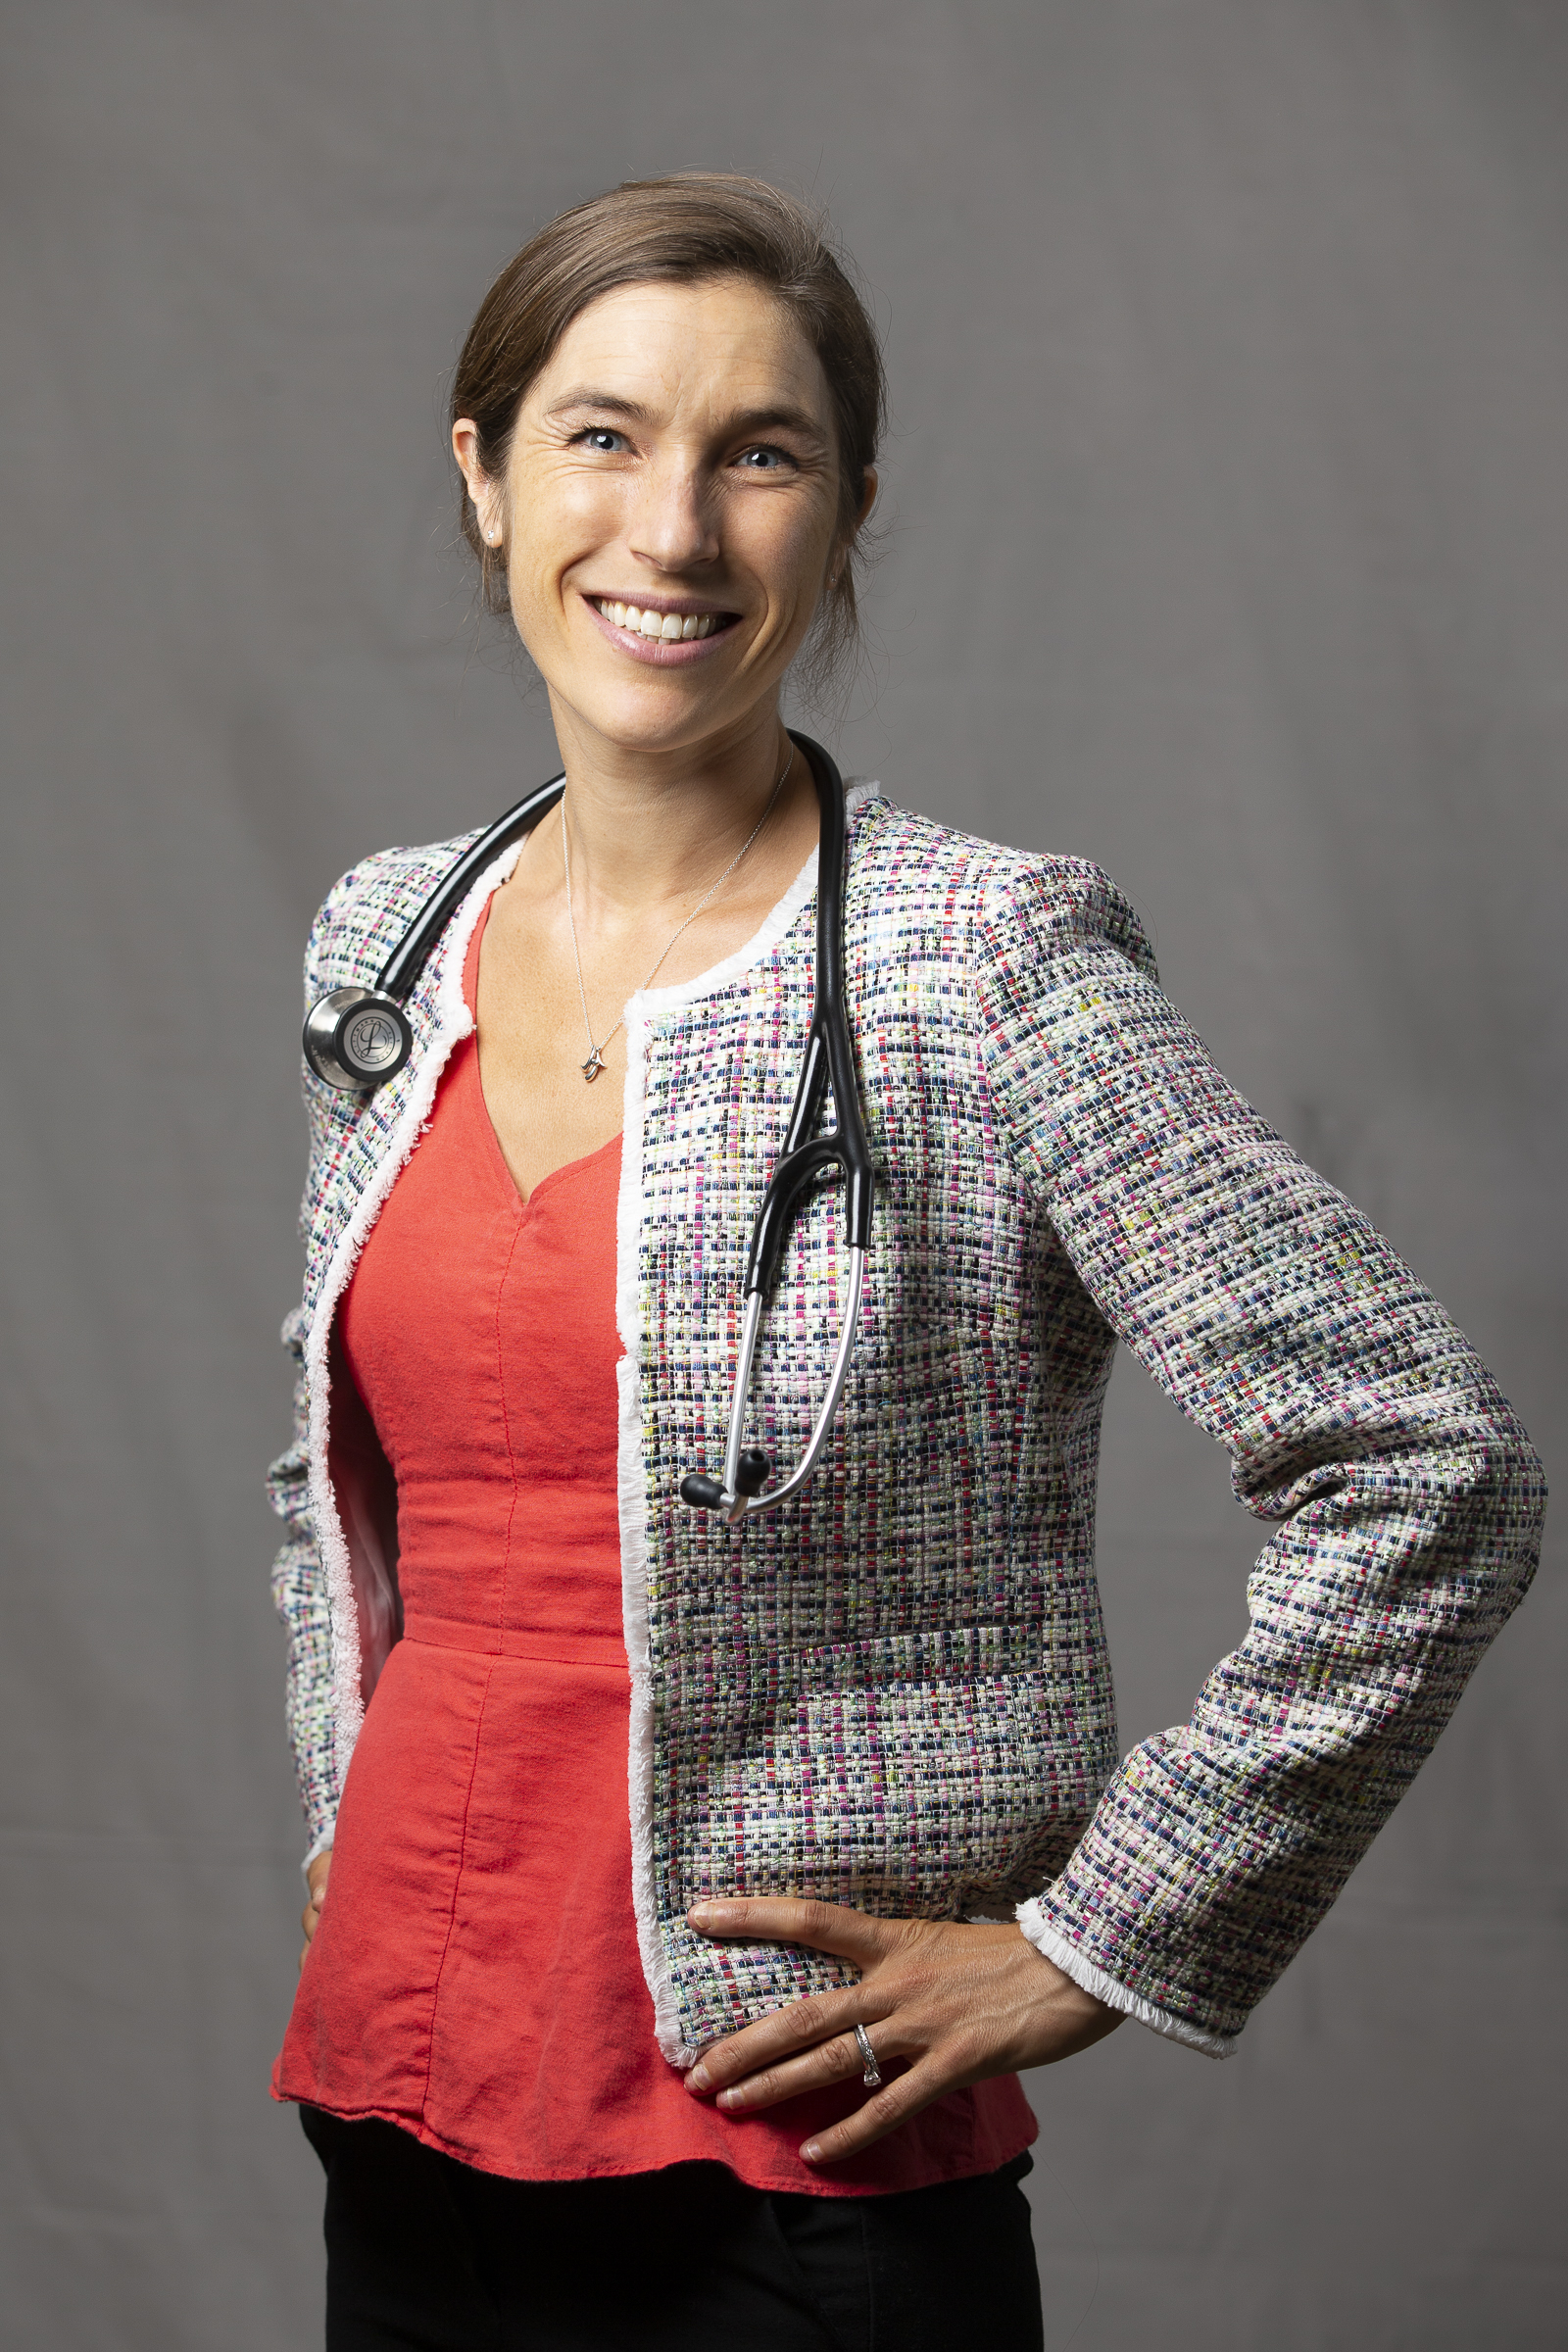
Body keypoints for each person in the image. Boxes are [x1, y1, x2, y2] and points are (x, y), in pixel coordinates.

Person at [267, 173, 1544, 2351]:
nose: (666, 528)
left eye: (755, 453)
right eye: (597, 435)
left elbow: (1421, 1463)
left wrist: (1098, 1934)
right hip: (407, 2086)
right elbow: (349, 1474)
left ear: (844, 511)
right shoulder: (391, 939)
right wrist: (346, 1804)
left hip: (792, 2156)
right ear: (482, 478)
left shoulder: (979, 959)